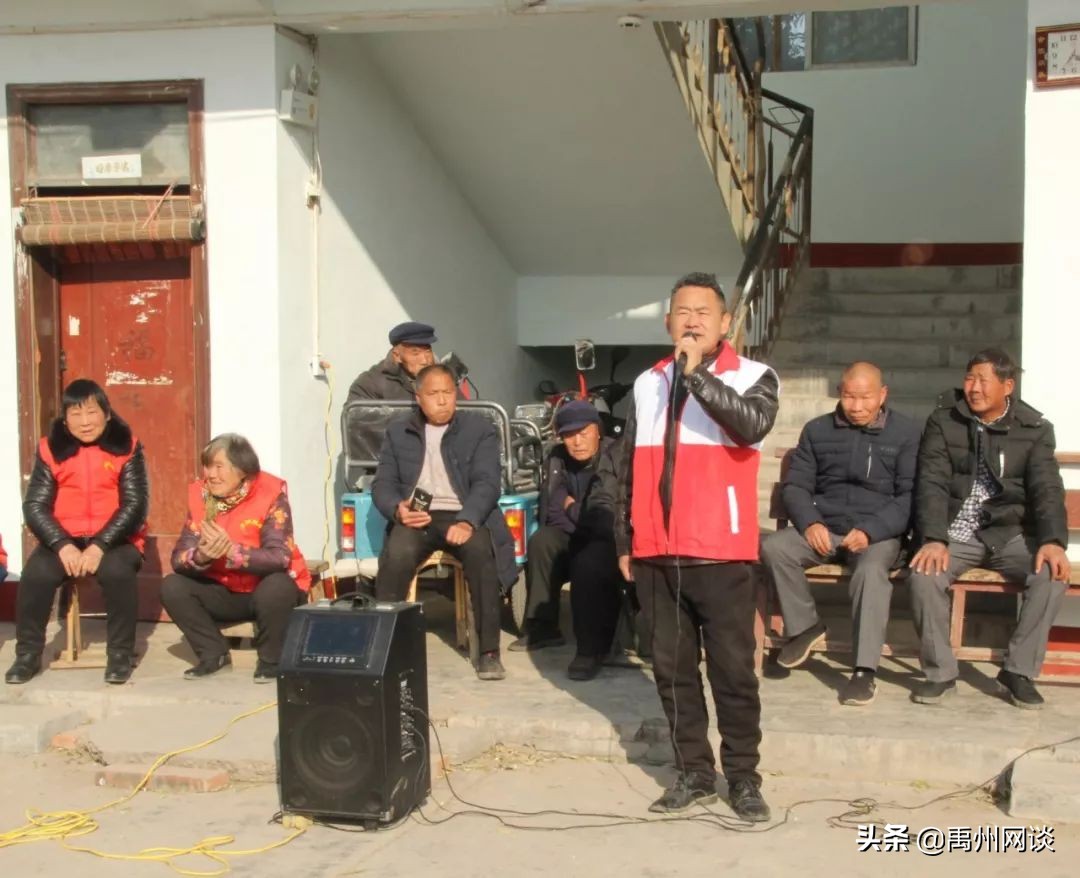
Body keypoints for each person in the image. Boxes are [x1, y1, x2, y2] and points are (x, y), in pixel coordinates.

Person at [615, 272, 778, 821]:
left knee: (733, 672)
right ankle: (694, 773)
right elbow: (625, 467)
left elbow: (751, 426)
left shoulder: (755, 375)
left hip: (722, 553)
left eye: (703, 312)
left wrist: (698, 378)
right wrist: (625, 537)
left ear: (725, 322)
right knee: (673, 672)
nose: (691, 321)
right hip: (657, 552)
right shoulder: (646, 383)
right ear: (668, 322)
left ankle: (744, 778)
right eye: (682, 311)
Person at [909, 349, 1070, 709]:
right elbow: (931, 482)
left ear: (1007, 386)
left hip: (1007, 533)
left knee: (1051, 573)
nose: (974, 388)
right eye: (970, 378)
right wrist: (934, 538)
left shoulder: (1034, 429)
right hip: (956, 532)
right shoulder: (943, 421)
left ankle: (1018, 672)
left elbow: (1046, 488)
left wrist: (1052, 540)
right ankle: (940, 673)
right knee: (923, 574)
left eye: (983, 380)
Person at [761, 362, 921, 706]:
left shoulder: (906, 433)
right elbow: (796, 487)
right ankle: (805, 627)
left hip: (877, 534)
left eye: (865, 398)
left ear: (882, 395)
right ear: (839, 393)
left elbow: (910, 497)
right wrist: (810, 522)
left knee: (870, 572)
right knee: (776, 547)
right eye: (849, 396)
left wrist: (871, 530)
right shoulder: (817, 431)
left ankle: (864, 670)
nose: (857, 406)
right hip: (826, 528)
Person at [373, 363, 516, 681]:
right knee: (396, 557)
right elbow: (382, 483)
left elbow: (487, 483)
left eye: (448, 393)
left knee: (482, 555)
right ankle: (385, 649)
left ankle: (489, 652)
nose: (442, 400)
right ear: (418, 396)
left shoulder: (479, 429)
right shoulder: (399, 431)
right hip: (417, 516)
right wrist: (399, 510)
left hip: (464, 513)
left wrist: (468, 521)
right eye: (434, 393)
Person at [6, 379, 148, 685]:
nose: (85, 423)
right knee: (36, 574)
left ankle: (120, 655)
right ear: (65, 419)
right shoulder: (50, 449)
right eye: (75, 415)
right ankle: (27, 655)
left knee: (118, 572)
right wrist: (61, 544)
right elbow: (35, 505)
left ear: (107, 414)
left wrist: (99, 545)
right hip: (63, 539)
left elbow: (136, 505)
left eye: (92, 413)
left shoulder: (128, 446)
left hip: (115, 539)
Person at [161, 434, 311, 682]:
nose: (210, 474)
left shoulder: (271, 496)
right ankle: (213, 654)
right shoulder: (202, 497)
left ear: (242, 470)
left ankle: (270, 660)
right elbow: (178, 558)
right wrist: (201, 555)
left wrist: (233, 552)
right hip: (223, 589)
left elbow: (279, 557)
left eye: (219, 467)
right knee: (172, 586)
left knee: (278, 586)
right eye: (208, 466)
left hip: (262, 590)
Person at [508, 400, 622, 681]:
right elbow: (554, 505)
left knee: (589, 561)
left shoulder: (614, 454)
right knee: (541, 541)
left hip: (607, 536)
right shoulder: (556, 457)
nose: (577, 441)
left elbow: (602, 514)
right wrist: (574, 510)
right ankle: (543, 627)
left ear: (598, 431)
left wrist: (573, 508)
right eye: (570, 435)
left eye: (584, 432)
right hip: (572, 531)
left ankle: (590, 650)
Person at [347, 321, 439, 403]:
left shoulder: (446, 378)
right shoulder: (370, 383)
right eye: (415, 353)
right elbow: (357, 419)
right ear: (397, 356)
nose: (425, 360)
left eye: (428, 351)